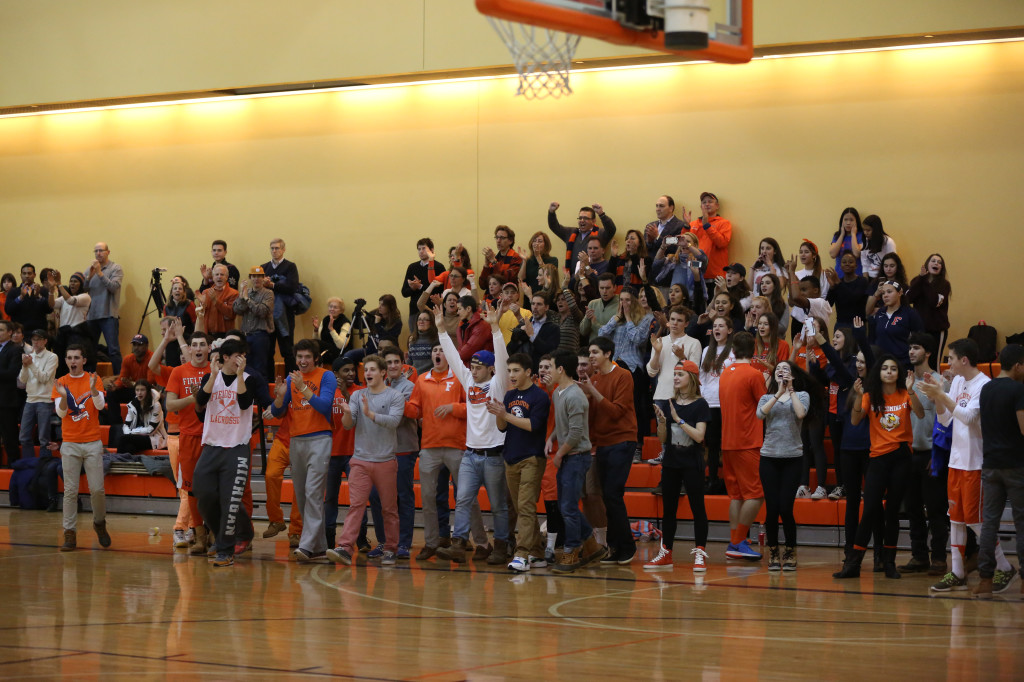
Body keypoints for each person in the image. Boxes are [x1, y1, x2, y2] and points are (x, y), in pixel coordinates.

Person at [919, 338, 1009, 592]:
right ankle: (957, 571)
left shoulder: (984, 385)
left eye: (951, 358)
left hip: (977, 462)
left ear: (964, 360)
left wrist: (942, 395)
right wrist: (937, 395)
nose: (948, 363)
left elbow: (969, 417)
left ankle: (1004, 566)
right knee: (956, 519)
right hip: (956, 461)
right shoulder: (957, 381)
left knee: (976, 521)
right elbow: (946, 420)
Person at [434, 301, 512, 564]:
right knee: (463, 499)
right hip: (470, 454)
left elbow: (502, 359)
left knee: (499, 504)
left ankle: (501, 546)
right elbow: (455, 358)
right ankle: (459, 544)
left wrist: (495, 329)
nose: (473, 369)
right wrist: (442, 331)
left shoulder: (498, 383)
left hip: (493, 455)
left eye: (479, 366)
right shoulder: (467, 380)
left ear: (490, 369)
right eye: (473, 366)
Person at [834, 354, 924, 580]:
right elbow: (855, 421)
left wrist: (912, 390)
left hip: (901, 457)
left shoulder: (905, 394)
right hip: (877, 458)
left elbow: (921, 414)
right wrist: (857, 396)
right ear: (879, 373)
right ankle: (853, 563)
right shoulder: (870, 396)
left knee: (892, 511)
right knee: (871, 508)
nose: (889, 372)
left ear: (898, 373)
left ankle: (889, 563)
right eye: (885, 368)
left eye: (893, 368)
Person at [405, 342, 488, 559]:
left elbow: (474, 406)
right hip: (430, 447)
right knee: (428, 497)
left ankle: (482, 543)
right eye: (435, 350)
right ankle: (431, 543)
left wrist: (454, 408)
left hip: (457, 447)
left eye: (442, 350)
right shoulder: (421, 380)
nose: (438, 353)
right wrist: (401, 404)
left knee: (467, 497)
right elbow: (415, 410)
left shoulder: (460, 378)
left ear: (449, 355)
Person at [326, 355, 406, 566]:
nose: (368, 373)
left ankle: (390, 547)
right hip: (360, 460)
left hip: (385, 460)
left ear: (382, 373)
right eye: (366, 370)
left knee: (389, 508)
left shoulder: (395, 396)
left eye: (372, 369)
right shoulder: (357, 395)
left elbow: (394, 422)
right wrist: (345, 413)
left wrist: (371, 415)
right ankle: (345, 547)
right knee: (356, 505)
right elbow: (349, 425)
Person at [191, 338, 259, 567]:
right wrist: (211, 376)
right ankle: (244, 530)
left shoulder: (250, 379)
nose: (242, 359)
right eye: (237, 355)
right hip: (212, 445)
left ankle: (225, 549)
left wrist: (240, 375)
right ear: (225, 358)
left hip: (237, 447)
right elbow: (200, 401)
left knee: (230, 501)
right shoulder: (210, 378)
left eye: (244, 355)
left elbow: (244, 403)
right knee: (203, 493)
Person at [270, 339, 337, 563]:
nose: (303, 361)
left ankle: (306, 545)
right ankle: (319, 548)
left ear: (316, 358)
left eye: (307, 357)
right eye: (299, 357)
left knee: (313, 493)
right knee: (302, 497)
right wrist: (280, 396)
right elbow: (277, 413)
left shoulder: (326, 376)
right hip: (296, 442)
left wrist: (303, 388)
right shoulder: (291, 378)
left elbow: (324, 406)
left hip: (320, 439)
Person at [546, 351, 608, 573]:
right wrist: (551, 439)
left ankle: (573, 550)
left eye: (551, 367)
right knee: (567, 506)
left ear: (561, 369)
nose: (548, 371)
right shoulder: (558, 393)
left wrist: (560, 453)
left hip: (577, 458)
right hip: (568, 457)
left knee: (569, 508)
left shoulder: (575, 396)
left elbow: (575, 433)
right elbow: (562, 426)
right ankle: (593, 547)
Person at [488, 352, 551, 572]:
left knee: (525, 506)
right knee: (522, 508)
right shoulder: (509, 395)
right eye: (509, 371)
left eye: (516, 371)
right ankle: (537, 553)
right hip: (511, 457)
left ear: (528, 373)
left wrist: (505, 415)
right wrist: (498, 412)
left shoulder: (540, 397)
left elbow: (533, 425)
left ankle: (522, 553)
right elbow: (502, 428)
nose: (511, 375)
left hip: (532, 458)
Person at [646, 360, 710, 571]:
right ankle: (666, 553)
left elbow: (699, 436)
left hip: (692, 462)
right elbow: (663, 438)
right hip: (672, 462)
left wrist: (679, 420)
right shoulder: (669, 402)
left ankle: (700, 552)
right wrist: (663, 423)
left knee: (697, 508)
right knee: (669, 510)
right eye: (674, 373)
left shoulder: (700, 404)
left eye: (680, 374)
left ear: (690, 378)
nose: (675, 377)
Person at [579, 335, 637, 564]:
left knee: (613, 495)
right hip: (602, 443)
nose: (591, 357)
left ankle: (627, 547)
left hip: (622, 441)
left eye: (594, 352)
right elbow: (593, 417)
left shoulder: (623, 375)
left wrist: (592, 392)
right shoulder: (594, 379)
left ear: (607, 354)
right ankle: (614, 547)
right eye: (590, 353)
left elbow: (616, 411)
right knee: (607, 497)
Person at [973, 344, 1024, 598]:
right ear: (1018, 365)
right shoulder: (1018, 389)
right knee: (1021, 522)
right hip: (1016, 465)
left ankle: (985, 582)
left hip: (990, 464)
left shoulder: (986, 388)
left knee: (990, 523)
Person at [898, 332, 949, 576]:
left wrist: (938, 454)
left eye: (916, 348)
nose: (911, 352)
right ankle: (919, 556)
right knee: (913, 510)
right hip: (909, 454)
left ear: (927, 352)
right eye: (910, 348)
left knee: (936, 509)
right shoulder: (905, 382)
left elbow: (947, 423)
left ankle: (939, 558)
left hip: (932, 453)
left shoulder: (939, 382)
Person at [53, 344, 111, 551]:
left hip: (92, 442)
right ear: (66, 360)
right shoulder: (61, 383)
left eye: (76, 357)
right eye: (69, 358)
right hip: (69, 443)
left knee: (97, 490)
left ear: (84, 360)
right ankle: (69, 534)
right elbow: (61, 414)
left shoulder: (94, 379)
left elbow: (98, 406)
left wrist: (94, 389)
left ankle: (99, 523)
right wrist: (63, 398)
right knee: (70, 491)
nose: (73, 361)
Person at [717, 332, 766, 559]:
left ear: (733, 350)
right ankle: (737, 543)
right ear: (754, 349)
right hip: (747, 442)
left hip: (727, 442)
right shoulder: (754, 375)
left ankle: (736, 540)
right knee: (755, 495)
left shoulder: (725, 373)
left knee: (736, 496)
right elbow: (765, 406)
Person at [758, 361, 811, 571]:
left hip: (792, 458)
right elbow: (760, 415)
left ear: (793, 376)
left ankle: (790, 550)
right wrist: (778, 394)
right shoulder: (767, 397)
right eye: (778, 369)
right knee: (771, 509)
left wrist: (791, 391)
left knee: (786, 508)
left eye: (785, 369)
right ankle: (773, 551)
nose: (781, 371)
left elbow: (800, 414)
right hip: (769, 457)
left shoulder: (803, 395)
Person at [165, 331, 213, 555]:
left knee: (214, 489)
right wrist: (195, 398)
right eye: (195, 344)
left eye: (203, 344)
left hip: (214, 437)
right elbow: (170, 405)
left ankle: (214, 532)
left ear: (209, 348)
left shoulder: (216, 371)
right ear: (190, 349)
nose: (198, 348)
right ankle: (199, 533)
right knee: (192, 490)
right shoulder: (178, 371)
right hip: (188, 437)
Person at [698, 316, 735, 493]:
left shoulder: (734, 351)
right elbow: (702, 378)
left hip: (727, 404)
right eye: (715, 326)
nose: (717, 329)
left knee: (727, 445)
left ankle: (730, 481)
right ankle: (712, 479)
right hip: (710, 403)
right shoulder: (707, 350)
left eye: (721, 325)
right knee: (712, 445)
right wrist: (704, 397)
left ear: (729, 330)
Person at [262, 238, 301, 374]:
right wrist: (262, 284)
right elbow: (257, 289)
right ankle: (270, 382)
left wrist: (271, 285)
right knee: (268, 351)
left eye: (277, 248)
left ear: (283, 249)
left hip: (286, 315)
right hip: (267, 315)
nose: (274, 251)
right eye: (272, 248)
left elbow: (292, 287)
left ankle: (291, 381)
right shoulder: (264, 267)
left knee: (288, 350)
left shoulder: (290, 266)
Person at [84, 243, 124, 374]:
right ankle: (88, 379)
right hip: (91, 316)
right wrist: (88, 277)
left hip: (108, 315)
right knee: (89, 350)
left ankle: (119, 379)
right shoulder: (89, 270)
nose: (98, 253)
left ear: (108, 252)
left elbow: (113, 287)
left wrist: (100, 273)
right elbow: (84, 291)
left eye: (101, 250)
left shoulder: (115, 268)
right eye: (95, 251)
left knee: (113, 350)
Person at [906, 253, 951, 366]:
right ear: (927, 264)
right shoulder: (917, 280)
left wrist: (924, 280)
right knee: (915, 363)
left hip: (936, 330)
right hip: (918, 329)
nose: (936, 263)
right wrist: (921, 279)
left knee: (933, 363)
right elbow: (908, 298)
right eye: (933, 261)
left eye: (939, 262)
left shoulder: (944, 285)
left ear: (942, 268)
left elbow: (934, 302)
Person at [548, 201, 618, 275]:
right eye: (580, 218)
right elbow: (554, 227)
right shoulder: (571, 233)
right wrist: (551, 212)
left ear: (593, 221)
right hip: (574, 278)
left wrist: (602, 214)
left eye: (585, 218)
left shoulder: (600, 234)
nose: (582, 221)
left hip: (593, 276)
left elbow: (611, 229)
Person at [17, 329, 57, 458]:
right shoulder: (30, 357)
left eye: (39, 339)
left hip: (45, 401)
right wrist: (24, 365)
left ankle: (44, 466)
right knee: (23, 437)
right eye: (34, 339)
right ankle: (30, 465)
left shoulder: (52, 357)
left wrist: (31, 365)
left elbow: (44, 378)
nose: (36, 342)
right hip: (30, 400)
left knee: (44, 439)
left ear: (45, 341)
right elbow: (22, 381)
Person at [686, 192, 732, 297]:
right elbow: (684, 246)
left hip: (715, 276)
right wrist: (686, 226)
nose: (707, 204)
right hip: (695, 274)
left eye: (710, 202)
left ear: (717, 206)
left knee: (714, 309)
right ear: (700, 206)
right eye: (704, 202)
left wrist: (707, 225)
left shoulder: (724, 223)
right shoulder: (693, 224)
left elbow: (722, 243)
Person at [233, 266, 275, 381]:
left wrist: (247, 300)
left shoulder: (268, 293)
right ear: (250, 278)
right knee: (245, 368)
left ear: (263, 278)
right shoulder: (246, 292)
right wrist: (242, 296)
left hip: (260, 336)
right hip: (245, 336)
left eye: (259, 276)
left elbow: (262, 311)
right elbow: (237, 310)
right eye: (254, 276)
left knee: (260, 368)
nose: (257, 279)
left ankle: (261, 397)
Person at [868, 280, 922, 368]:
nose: (885, 295)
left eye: (889, 292)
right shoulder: (880, 313)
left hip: (902, 363)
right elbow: (873, 339)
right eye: (883, 293)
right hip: (881, 364)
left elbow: (920, 338)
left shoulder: (909, 313)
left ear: (899, 293)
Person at [103, 334, 153, 426]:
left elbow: (149, 383)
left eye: (139, 345)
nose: (136, 348)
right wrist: (115, 386)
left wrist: (134, 385)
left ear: (146, 346)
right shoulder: (128, 359)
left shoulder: (152, 358)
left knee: (144, 392)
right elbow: (122, 378)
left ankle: (143, 423)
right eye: (134, 345)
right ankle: (116, 425)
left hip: (150, 391)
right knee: (111, 393)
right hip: (134, 389)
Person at [49, 271, 92, 375]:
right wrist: (51, 290)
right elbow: (52, 304)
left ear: (81, 284)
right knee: (60, 363)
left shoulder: (85, 297)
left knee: (73, 364)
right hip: (63, 335)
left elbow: (70, 300)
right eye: (71, 281)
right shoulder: (64, 298)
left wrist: (59, 283)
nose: (72, 283)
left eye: (75, 281)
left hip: (76, 335)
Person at [401, 237, 446, 333]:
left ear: (432, 250)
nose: (421, 251)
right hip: (414, 311)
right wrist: (412, 288)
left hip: (431, 310)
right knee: (414, 339)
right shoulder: (412, 267)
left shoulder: (439, 267)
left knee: (433, 339)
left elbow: (440, 291)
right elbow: (404, 292)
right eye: (419, 249)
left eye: (424, 248)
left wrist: (420, 287)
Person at [787, 252, 832, 343]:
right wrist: (789, 275)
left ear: (815, 290)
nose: (801, 293)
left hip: (820, 350)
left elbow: (796, 297)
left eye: (803, 290)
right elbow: (792, 300)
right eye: (800, 290)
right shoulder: (808, 312)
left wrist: (792, 272)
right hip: (813, 347)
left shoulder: (820, 303)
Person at [510, 293, 560, 371]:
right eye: (533, 304)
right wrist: (517, 338)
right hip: (521, 371)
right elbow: (510, 349)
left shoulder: (553, 328)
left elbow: (549, 351)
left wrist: (531, 336)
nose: (535, 307)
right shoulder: (522, 326)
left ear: (546, 307)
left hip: (540, 372)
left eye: (539, 304)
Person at [118, 379, 166, 454]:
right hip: (135, 436)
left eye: (142, 390)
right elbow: (126, 425)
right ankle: (126, 464)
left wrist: (132, 433)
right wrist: (129, 433)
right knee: (129, 448)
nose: (139, 393)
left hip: (153, 438)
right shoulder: (132, 405)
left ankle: (117, 462)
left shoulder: (156, 405)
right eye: (137, 390)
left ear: (148, 391)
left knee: (123, 439)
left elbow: (151, 430)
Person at [825, 250, 870, 327]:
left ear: (856, 265)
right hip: (841, 324)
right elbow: (828, 305)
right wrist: (832, 287)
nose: (847, 264)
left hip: (858, 325)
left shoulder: (862, 281)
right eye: (844, 262)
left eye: (850, 262)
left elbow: (853, 298)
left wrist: (838, 283)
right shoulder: (838, 282)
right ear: (840, 266)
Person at [5, 266, 52, 337]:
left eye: (29, 273)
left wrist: (38, 296)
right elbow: (8, 310)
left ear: (34, 275)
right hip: (19, 333)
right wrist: (20, 297)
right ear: (21, 275)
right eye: (24, 273)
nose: (27, 276)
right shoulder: (13, 291)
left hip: (39, 333)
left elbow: (49, 309)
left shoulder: (42, 290)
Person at [195, 264, 238, 340]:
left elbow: (231, 314)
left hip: (225, 335)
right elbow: (200, 315)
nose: (219, 277)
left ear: (227, 277)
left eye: (222, 274)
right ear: (213, 277)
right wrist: (202, 305)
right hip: (208, 335)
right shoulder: (206, 292)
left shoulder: (233, 293)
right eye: (216, 274)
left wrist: (215, 301)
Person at [161, 279, 196, 367]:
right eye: (175, 288)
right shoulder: (166, 307)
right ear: (171, 292)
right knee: (171, 367)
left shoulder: (189, 304)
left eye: (180, 289)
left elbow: (195, 323)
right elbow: (165, 327)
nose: (177, 290)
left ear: (184, 292)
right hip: (171, 341)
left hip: (185, 340)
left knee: (185, 366)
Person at [578, 273, 619, 345]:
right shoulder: (593, 303)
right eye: (602, 288)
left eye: (608, 288)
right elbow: (582, 331)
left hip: (611, 349)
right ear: (598, 288)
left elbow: (614, 333)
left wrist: (594, 322)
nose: (604, 291)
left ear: (615, 287)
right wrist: (587, 318)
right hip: (593, 349)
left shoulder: (620, 305)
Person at [479, 225, 524, 290]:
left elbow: (507, 279)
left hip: (508, 296)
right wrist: (486, 265)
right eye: (497, 237)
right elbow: (482, 285)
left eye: (502, 238)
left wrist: (494, 262)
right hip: (491, 297)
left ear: (510, 241)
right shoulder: (495, 257)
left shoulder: (516, 257)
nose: (498, 241)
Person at [828, 207, 864, 273]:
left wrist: (853, 234)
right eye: (845, 220)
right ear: (842, 221)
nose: (848, 223)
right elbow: (832, 254)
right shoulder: (837, 236)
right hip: (840, 276)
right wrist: (842, 234)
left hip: (857, 276)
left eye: (851, 220)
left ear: (856, 221)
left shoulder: (861, 235)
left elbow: (857, 254)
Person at [860, 214, 896, 278]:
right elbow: (865, 264)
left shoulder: (888, 242)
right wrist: (866, 281)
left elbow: (893, 263)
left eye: (868, 230)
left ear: (876, 230)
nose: (865, 233)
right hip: (870, 277)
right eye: (864, 230)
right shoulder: (866, 241)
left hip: (884, 277)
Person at [406, 311, 439, 375]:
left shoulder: (436, 340)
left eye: (425, 320)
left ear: (431, 323)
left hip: (430, 378)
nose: (421, 322)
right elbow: (409, 363)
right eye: (419, 319)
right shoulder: (413, 340)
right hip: (415, 378)